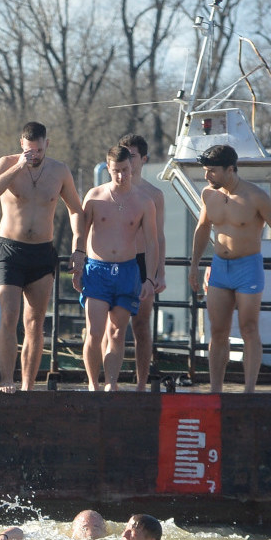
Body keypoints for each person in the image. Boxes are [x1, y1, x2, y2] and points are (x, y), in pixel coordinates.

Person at [0, 122, 81, 392]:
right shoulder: (6, 164)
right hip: (10, 251)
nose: (33, 155)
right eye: (29, 150)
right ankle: (6, 380)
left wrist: (78, 248)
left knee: (35, 321)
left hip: (42, 252)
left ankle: (27, 385)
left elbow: (76, 210)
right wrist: (18, 167)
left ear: (47, 144)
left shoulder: (59, 171)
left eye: (38, 150)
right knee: (9, 315)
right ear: (21, 146)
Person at [72, 145, 158, 391]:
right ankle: (93, 383)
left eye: (125, 170)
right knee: (95, 331)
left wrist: (150, 278)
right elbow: (80, 234)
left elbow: (152, 243)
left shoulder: (144, 201)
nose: (121, 176)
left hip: (127, 271)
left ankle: (111, 384)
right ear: (108, 169)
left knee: (118, 333)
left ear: (132, 167)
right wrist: (78, 266)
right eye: (116, 171)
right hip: (97, 270)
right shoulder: (95, 196)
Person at [188, 145, 271, 393]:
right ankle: (215, 390)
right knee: (218, 330)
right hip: (220, 267)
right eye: (205, 170)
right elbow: (203, 229)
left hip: (248, 266)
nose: (207, 176)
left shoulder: (256, 196)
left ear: (230, 169)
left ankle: (248, 391)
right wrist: (194, 265)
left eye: (212, 171)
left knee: (249, 327)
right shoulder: (209, 195)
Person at [118, 134, 167, 391]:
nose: (128, 160)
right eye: (123, 154)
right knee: (111, 324)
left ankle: (141, 383)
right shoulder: (108, 191)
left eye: (132, 155)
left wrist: (160, 272)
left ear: (143, 159)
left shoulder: (154, 194)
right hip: (113, 260)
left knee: (141, 323)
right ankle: (108, 382)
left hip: (142, 262)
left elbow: (158, 237)